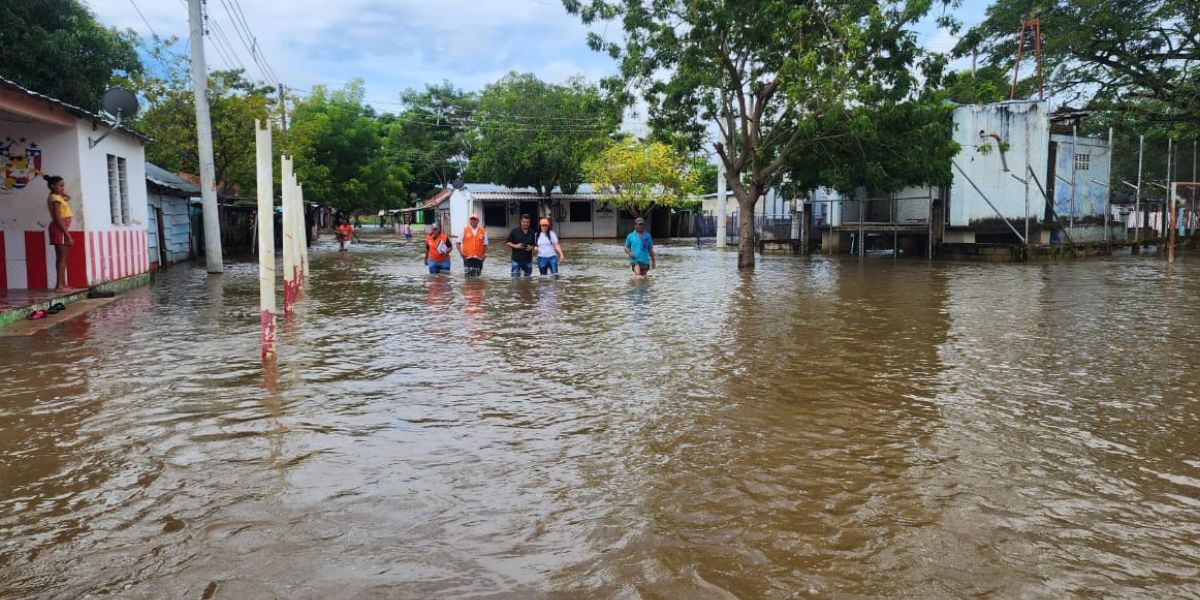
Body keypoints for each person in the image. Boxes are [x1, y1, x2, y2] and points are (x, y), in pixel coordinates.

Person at [44, 175, 73, 292]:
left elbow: (68, 197)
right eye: (60, 185)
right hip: (59, 228)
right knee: (62, 257)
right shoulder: (55, 199)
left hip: (61, 229)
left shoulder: (57, 196)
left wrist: (60, 190)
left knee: (62, 258)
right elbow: (57, 218)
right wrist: (68, 235)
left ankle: (62, 284)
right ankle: (59, 286)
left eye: (63, 185)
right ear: (52, 186)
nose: (63, 188)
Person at [457, 213, 488, 277]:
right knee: (468, 278)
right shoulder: (464, 230)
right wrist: (461, 253)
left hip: (479, 258)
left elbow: (485, 244)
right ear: (470, 220)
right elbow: (458, 243)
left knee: (477, 277)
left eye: (475, 219)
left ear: (478, 221)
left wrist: (484, 254)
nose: (473, 221)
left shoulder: (483, 231)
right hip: (468, 257)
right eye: (472, 219)